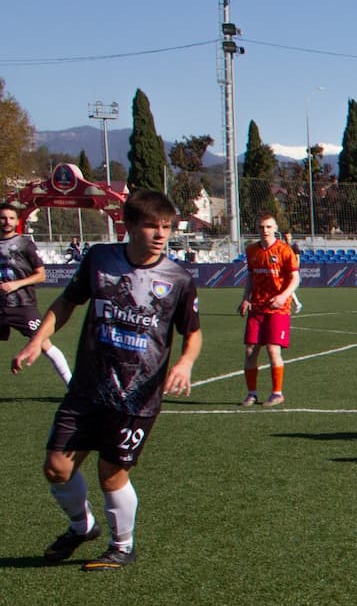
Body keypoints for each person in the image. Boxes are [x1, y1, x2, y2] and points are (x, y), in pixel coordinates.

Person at [11, 189, 202, 571]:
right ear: (128, 226)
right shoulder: (99, 260)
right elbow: (67, 302)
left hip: (137, 396)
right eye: (151, 225)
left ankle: (122, 545)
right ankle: (83, 527)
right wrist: (38, 340)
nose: (161, 234)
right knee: (56, 468)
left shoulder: (178, 278)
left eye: (166, 227)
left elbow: (192, 332)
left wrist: (184, 363)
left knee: (111, 474)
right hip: (87, 387)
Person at [0, 202, 72, 386]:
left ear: (17, 221)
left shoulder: (25, 244)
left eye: (11, 218)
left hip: (22, 306)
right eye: (3, 218)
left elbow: (41, 275)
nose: (6, 222)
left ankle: (72, 386)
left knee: (44, 344)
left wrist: (16, 284)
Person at [240, 214, 299, 407]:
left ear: (275, 228)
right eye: (261, 227)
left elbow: (295, 279)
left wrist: (283, 297)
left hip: (278, 309)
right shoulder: (251, 251)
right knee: (250, 351)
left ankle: (277, 393)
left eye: (268, 227)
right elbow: (250, 276)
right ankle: (251, 394)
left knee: (273, 350)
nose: (264, 230)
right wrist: (245, 299)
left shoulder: (284, 250)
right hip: (257, 308)